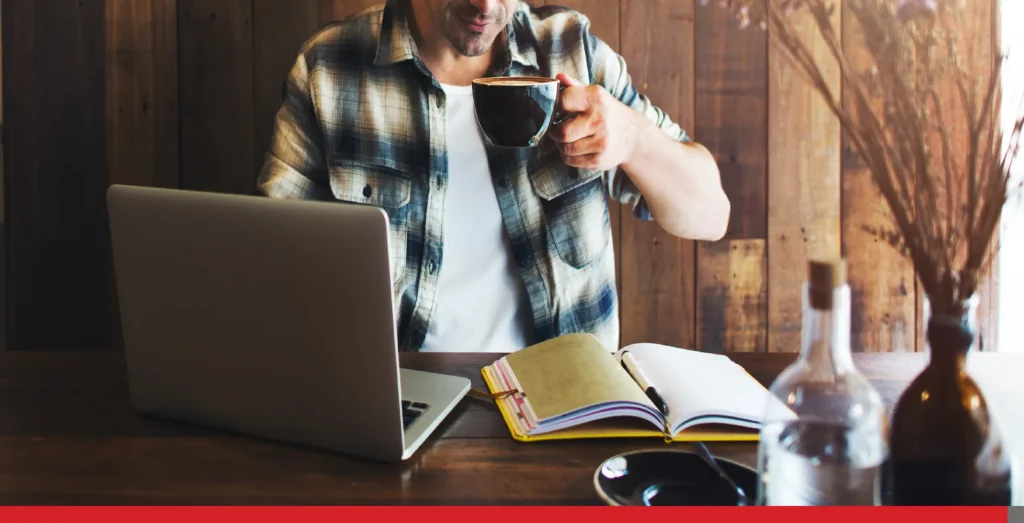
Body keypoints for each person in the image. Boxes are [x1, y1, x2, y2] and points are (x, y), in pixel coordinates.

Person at [257, 0, 730, 354]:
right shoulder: (329, 68)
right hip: (398, 399)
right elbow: (272, 268)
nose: (484, 6)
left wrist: (635, 140)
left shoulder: (571, 52)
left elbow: (710, 215)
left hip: (564, 405)